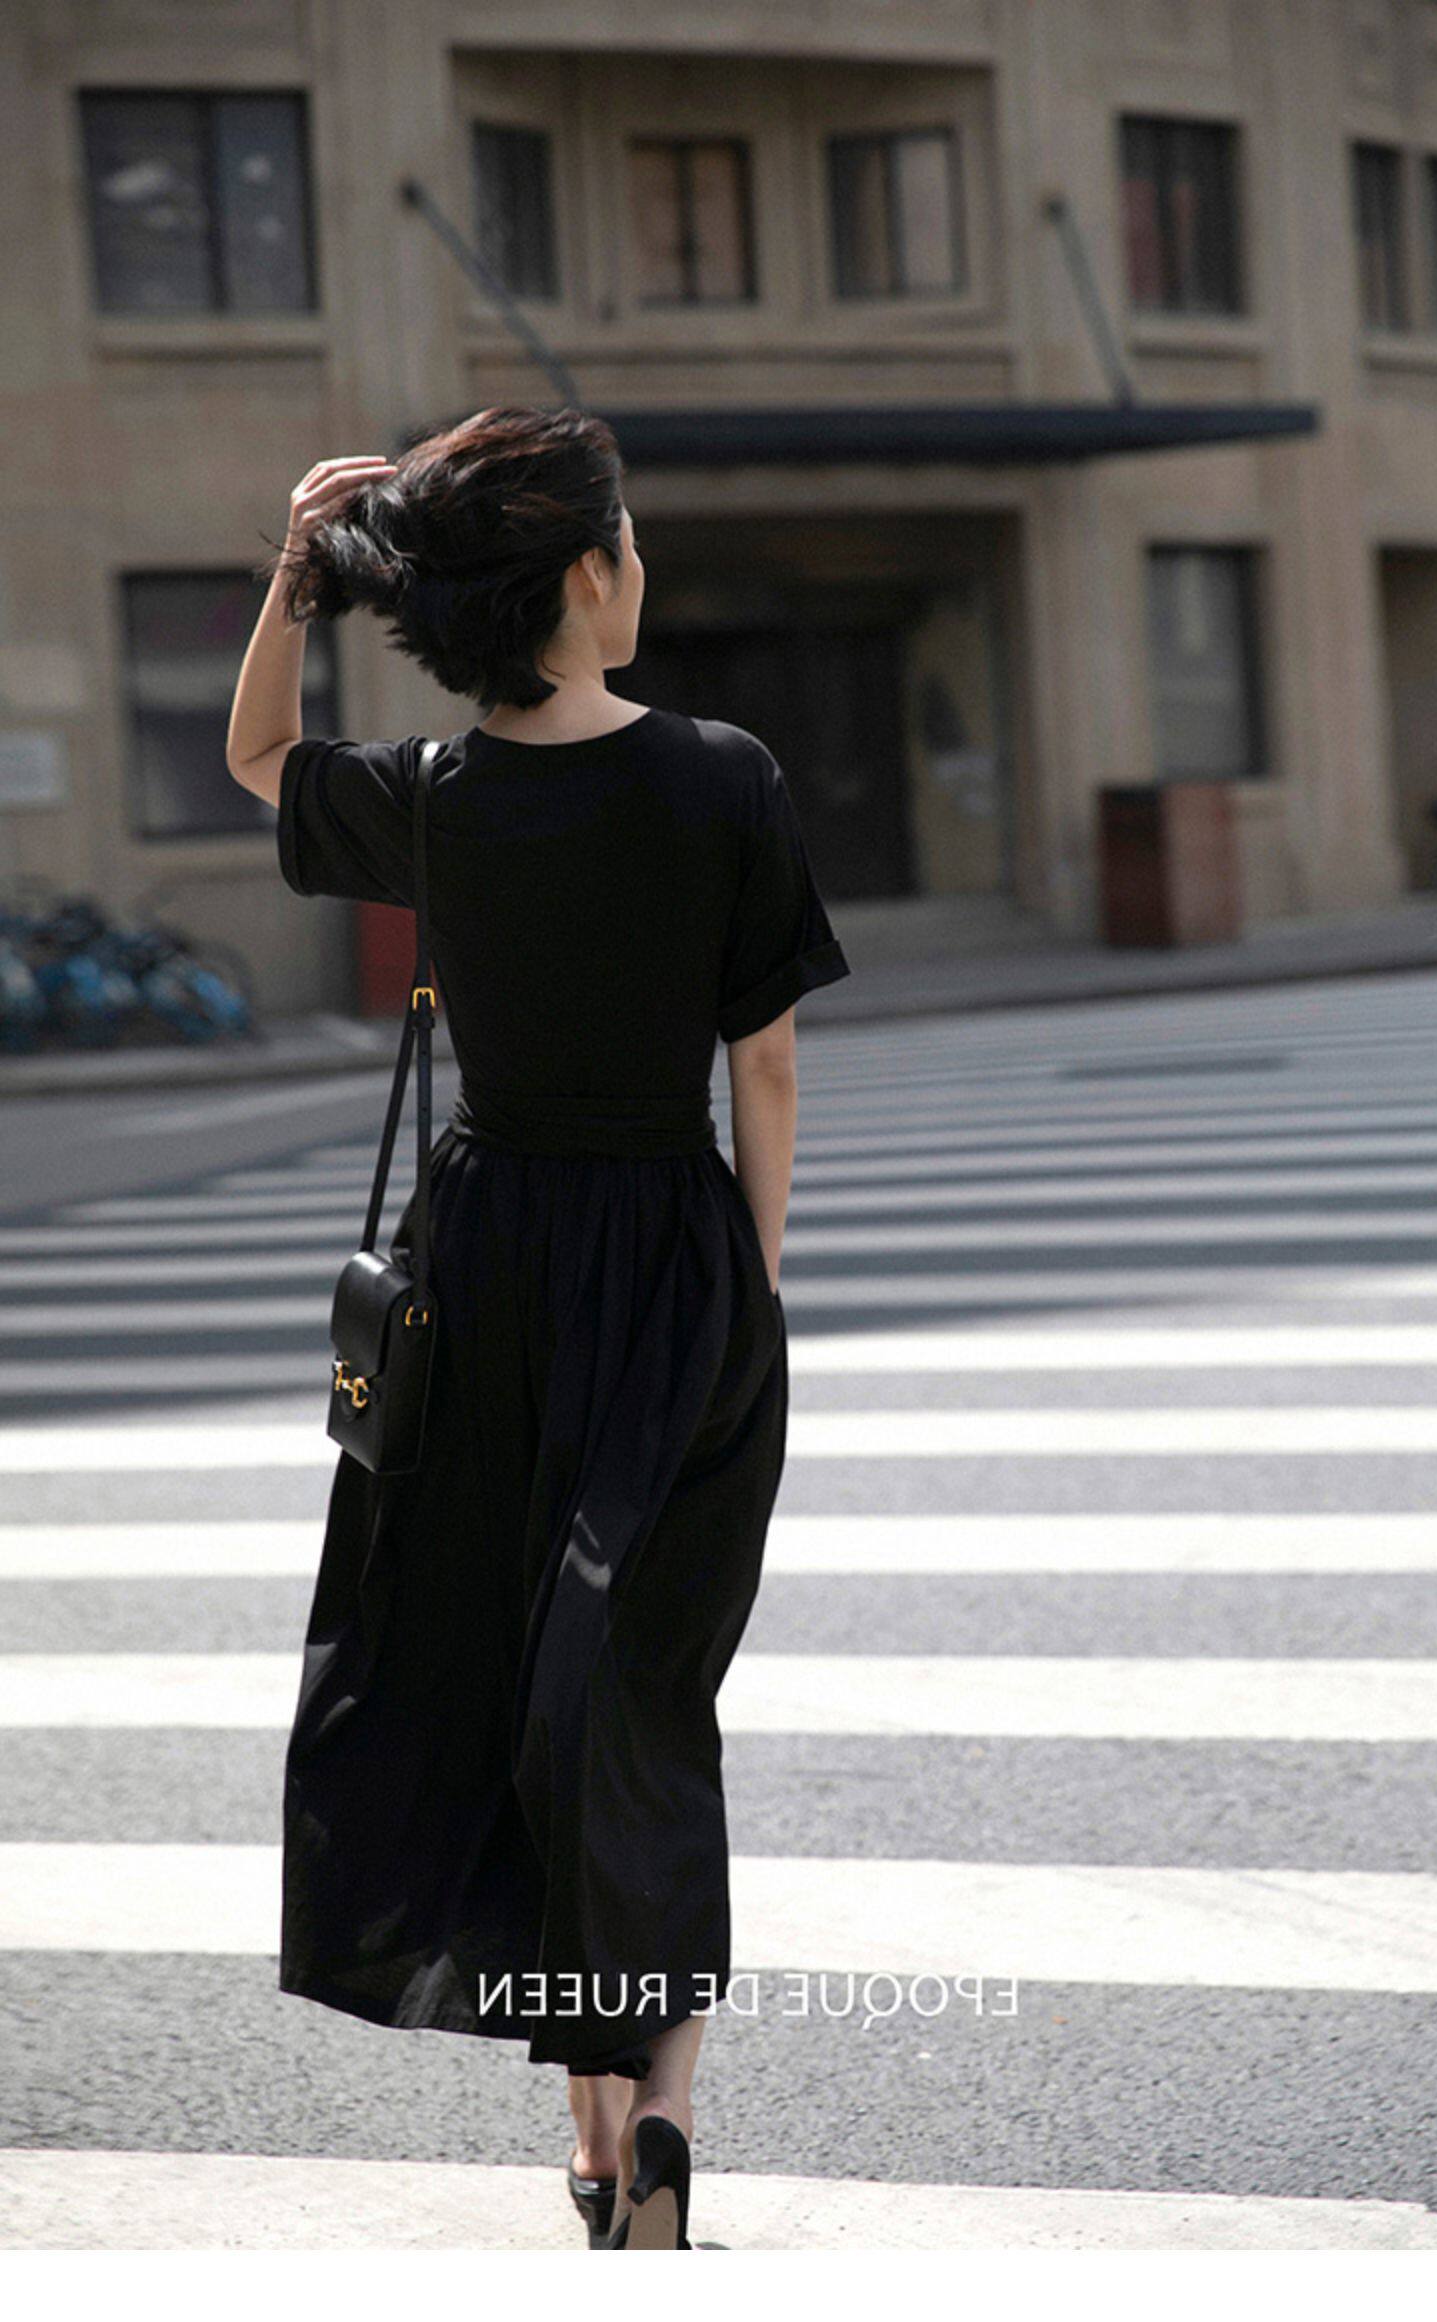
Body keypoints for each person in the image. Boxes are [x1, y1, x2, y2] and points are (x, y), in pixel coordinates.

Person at [224, 405, 851, 2250]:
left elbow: (258, 753)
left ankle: (589, 2131)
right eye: (629, 542)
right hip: (670, 1258)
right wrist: (748, 1285)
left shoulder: (435, 791)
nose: (639, 567)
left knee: (520, 1675)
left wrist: (294, 574)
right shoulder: (723, 776)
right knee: (645, 1693)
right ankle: (659, 2109)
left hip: (487, 1261)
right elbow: (766, 1065)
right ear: (586, 575)